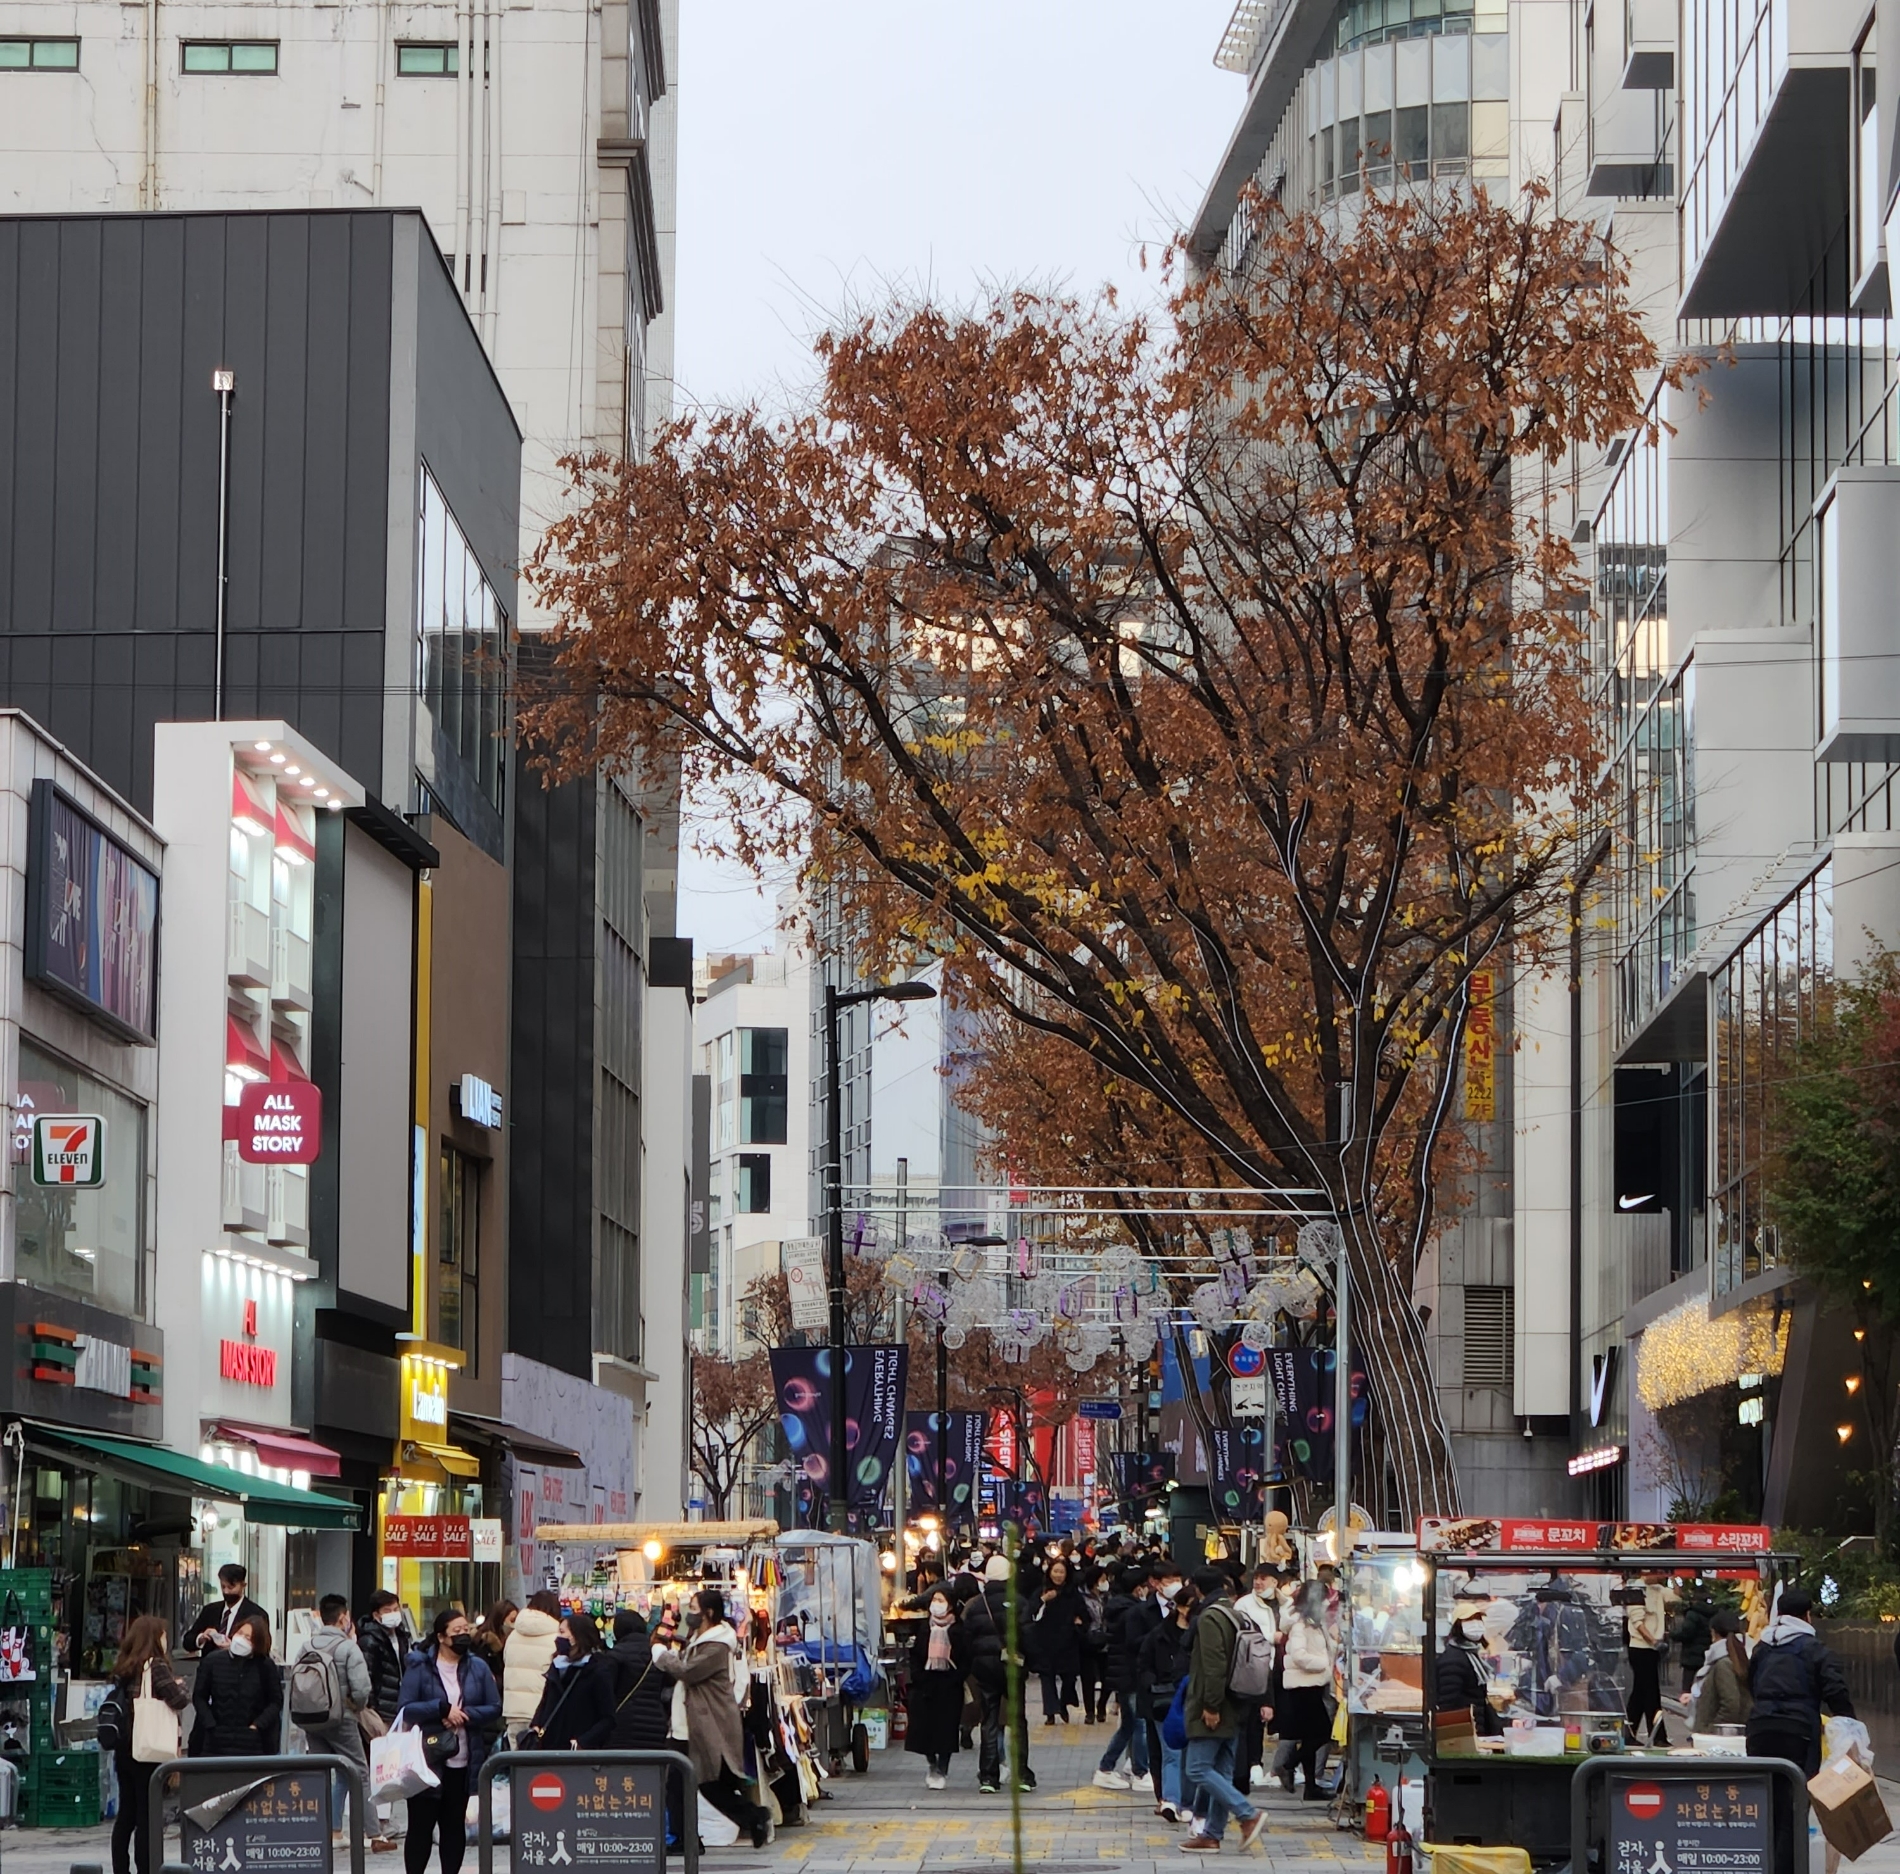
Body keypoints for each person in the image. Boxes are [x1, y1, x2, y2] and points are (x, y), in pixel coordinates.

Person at [652, 1587, 773, 1848]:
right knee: (684, 1782)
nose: (689, 1614)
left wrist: (661, 1656)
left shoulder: (717, 1645)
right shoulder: (700, 1638)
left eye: (694, 1609)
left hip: (704, 1725)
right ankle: (687, 1837)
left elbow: (688, 1671)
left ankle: (749, 1817)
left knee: (705, 1784)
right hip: (687, 1724)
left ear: (708, 1612)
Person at [1748, 1589, 1852, 1874]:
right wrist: (1850, 1727)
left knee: (1767, 1804)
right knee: (1793, 1810)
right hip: (1798, 1732)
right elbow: (1836, 1691)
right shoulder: (1815, 1649)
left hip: (1759, 1731)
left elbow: (1752, 1686)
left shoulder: (1762, 1647)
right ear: (1808, 1616)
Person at [395, 1607, 502, 1874]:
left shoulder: (477, 1666)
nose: (464, 1635)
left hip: (465, 1758)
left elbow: (494, 1707)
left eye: (466, 1630)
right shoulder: (420, 1666)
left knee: (454, 1825)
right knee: (421, 1825)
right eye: (457, 1631)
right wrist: (440, 1709)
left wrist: (463, 1715)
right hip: (426, 1759)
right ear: (442, 1637)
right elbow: (405, 1708)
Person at [1180, 1568, 1267, 1853]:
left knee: (1197, 1768)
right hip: (1239, 1701)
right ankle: (1212, 1834)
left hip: (1215, 1704)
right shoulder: (1237, 1613)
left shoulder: (1210, 1618)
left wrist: (1210, 1706)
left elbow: (1214, 1665)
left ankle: (1247, 1815)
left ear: (1197, 1590)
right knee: (1221, 1770)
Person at [108, 1615, 191, 1874]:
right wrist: (181, 1687)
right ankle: (147, 1867)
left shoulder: (125, 1665)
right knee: (147, 1815)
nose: (166, 1640)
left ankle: (121, 1868)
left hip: (125, 1748)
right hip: (148, 1749)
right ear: (155, 1639)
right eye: (163, 1635)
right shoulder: (155, 1666)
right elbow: (178, 1700)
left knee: (126, 1815)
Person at [295, 1594, 373, 1820]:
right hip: (342, 1718)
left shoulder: (306, 1646)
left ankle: (328, 1829)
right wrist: (357, 1707)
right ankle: (373, 1831)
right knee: (359, 1773)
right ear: (342, 1618)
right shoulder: (348, 1647)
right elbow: (361, 1688)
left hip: (311, 1718)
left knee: (322, 1774)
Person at [964, 1554, 1035, 1794]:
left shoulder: (976, 1605)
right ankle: (1022, 1774)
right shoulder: (1020, 1602)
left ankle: (988, 1777)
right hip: (1013, 1667)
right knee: (1017, 1721)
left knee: (989, 1720)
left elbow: (967, 1639)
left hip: (984, 1669)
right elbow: (1028, 1636)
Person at [1137, 1573, 1195, 1825]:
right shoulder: (1158, 1635)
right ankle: (1171, 1800)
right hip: (1163, 1702)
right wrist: (1153, 1685)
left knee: (1190, 1753)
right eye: (1189, 1606)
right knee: (1172, 1752)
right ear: (1180, 1607)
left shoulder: (1201, 1634)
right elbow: (1142, 1665)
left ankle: (1186, 1802)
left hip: (1192, 1699)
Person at [358, 1590, 412, 1854]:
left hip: (399, 1705)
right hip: (382, 1707)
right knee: (380, 1766)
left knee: (392, 1766)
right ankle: (377, 1821)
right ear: (377, 1614)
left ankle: (384, 1819)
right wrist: (371, 1709)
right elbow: (368, 1674)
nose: (394, 1614)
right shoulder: (370, 1638)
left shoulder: (401, 1634)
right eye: (388, 1610)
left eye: (396, 1608)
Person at [905, 1584, 970, 1789]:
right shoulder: (925, 1627)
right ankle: (931, 1762)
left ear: (950, 1605)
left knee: (946, 1730)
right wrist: (918, 1676)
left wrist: (957, 1678)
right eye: (934, 1600)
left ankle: (942, 1768)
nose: (937, 1605)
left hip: (950, 1685)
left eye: (941, 1601)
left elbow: (967, 1659)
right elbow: (915, 1655)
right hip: (926, 1684)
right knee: (923, 1728)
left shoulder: (959, 1629)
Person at [191, 1612, 283, 1756]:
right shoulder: (213, 1660)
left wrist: (257, 1725)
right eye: (240, 1633)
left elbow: (275, 1701)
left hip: (252, 1742)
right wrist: (210, 1724)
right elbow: (199, 1696)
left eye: (249, 1638)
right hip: (215, 1740)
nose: (242, 1639)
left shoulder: (265, 1666)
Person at [1093, 1564, 1151, 1791]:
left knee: (1129, 1724)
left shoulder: (1117, 1607)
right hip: (1131, 1673)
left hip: (1122, 1673)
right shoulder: (1133, 1612)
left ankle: (1106, 1768)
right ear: (1139, 1589)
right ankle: (1140, 1772)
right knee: (1138, 1724)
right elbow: (1135, 1644)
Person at [525, 1610, 618, 1749]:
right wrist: (536, 1725)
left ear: (577, 1637)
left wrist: (583, 1742)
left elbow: (608, 1718)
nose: (557, 1637)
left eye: (562, 1632)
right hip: (549, 1748)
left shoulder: (597, 1670)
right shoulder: (557, 1666)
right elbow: (545, 1703)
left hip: (578, 1755)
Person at [1276, 1580, 1334, 1801]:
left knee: (1310, 1736)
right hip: (1303, 1685)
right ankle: (1288, 1765)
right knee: (1321, 1733)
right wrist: (1323, 1663)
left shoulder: (1314, 1624)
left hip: (1312, 1684)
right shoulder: (1300, 1625)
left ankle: (1310, 1786)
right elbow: (1299, 1655)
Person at [1232, 1564, 1281, 1792]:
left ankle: (1258, 1764)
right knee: (1251, 1719)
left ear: (1275, 1582)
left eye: (1264, 1578)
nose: (1259, 1582)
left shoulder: (1282, 1603)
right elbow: (1246, 1638)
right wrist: (1273, 1637)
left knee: (1263, 1720)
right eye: (1257, 1578)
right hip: (1252, 1670)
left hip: (1276, 1669)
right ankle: (1251, 1764)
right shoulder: (1244, 1605)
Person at [1434, 1599, 1503, 1738]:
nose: (1476, 1624)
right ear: (1458, 1625)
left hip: (1475, 1727)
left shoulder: (1470, 1655)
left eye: (1478, 1619)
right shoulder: (1453, 1660)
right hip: (1463, 1732)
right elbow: (1448, 1704)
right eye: (1470, 1620)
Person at [1031, 1556, 1087, 1725]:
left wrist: (1079, 1624)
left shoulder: (1073, 1593)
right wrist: (1043, 1600)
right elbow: (1030, 1613)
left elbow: (1084, 1615)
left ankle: (1064, 1703)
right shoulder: (1041, 1591)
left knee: (1069, 1676)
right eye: (1055, 1571)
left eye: (1061, 1572)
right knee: (1046, 1676)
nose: (1058, 1575)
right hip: (1045, 1641)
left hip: (1068, 1641)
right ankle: (1050, 1712)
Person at [502, 1589, 562, 1735]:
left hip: (514, 1709)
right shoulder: (557, 1637)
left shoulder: (513, 1635)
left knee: (516, 1755)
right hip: (543, 1711)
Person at [1625, 1571, 1673, 1744]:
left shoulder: (1658, 1589)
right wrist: (1654, 1641)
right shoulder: (1635, 1589)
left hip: (1652, 1649)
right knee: (1651, 1694)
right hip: (1640, 1647)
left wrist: (1677, 1576)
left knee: (1639, 1694)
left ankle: (1628, 1733)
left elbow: (1677, 1598)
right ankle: (1658, 1736)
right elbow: (1638, 1623)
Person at [182, 1563, 267, 1655]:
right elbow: (187, 1642)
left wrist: (235, 1648)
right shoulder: (210, 1610)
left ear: (243, 1585)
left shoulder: (257, 1614)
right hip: (210, 1667)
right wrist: (201, 1638)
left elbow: (262, 1651)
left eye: (231, 1587)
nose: (226, 1591)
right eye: (223, 1587)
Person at [1691, 1610, 1752, 1733]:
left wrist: (1712, 1729)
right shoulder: (1744, 1655)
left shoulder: (1723, 1663)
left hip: (1718, 1737)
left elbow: (1730, 1704)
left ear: (1714, 1633)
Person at [1078, 1566, 1111, 1724]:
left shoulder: (1108, 1596)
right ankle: (1089, 1711)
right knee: (1088, 1678)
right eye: (1103, 1579)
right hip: (1087, 1641)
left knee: (1108, 1677)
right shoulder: (1081, 1596)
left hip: (1106, 1641)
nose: (1106, 1582)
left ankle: (1102, 1705)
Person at [1672, 1586, 1716, 1696]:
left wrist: (1673, 1635)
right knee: (1705, 1684)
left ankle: (1687, 1702)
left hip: (1691, 1655)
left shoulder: (1692, 1614)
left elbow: (1687, 1632)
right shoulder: (1713, 1613)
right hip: (1706, 1653)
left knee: (1687, 1685)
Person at [472, 1600, 517, 1677]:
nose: (515, 1625)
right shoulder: (483, 1641)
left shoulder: (512, 1640)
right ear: (500, 1619)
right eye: (512, 1620)